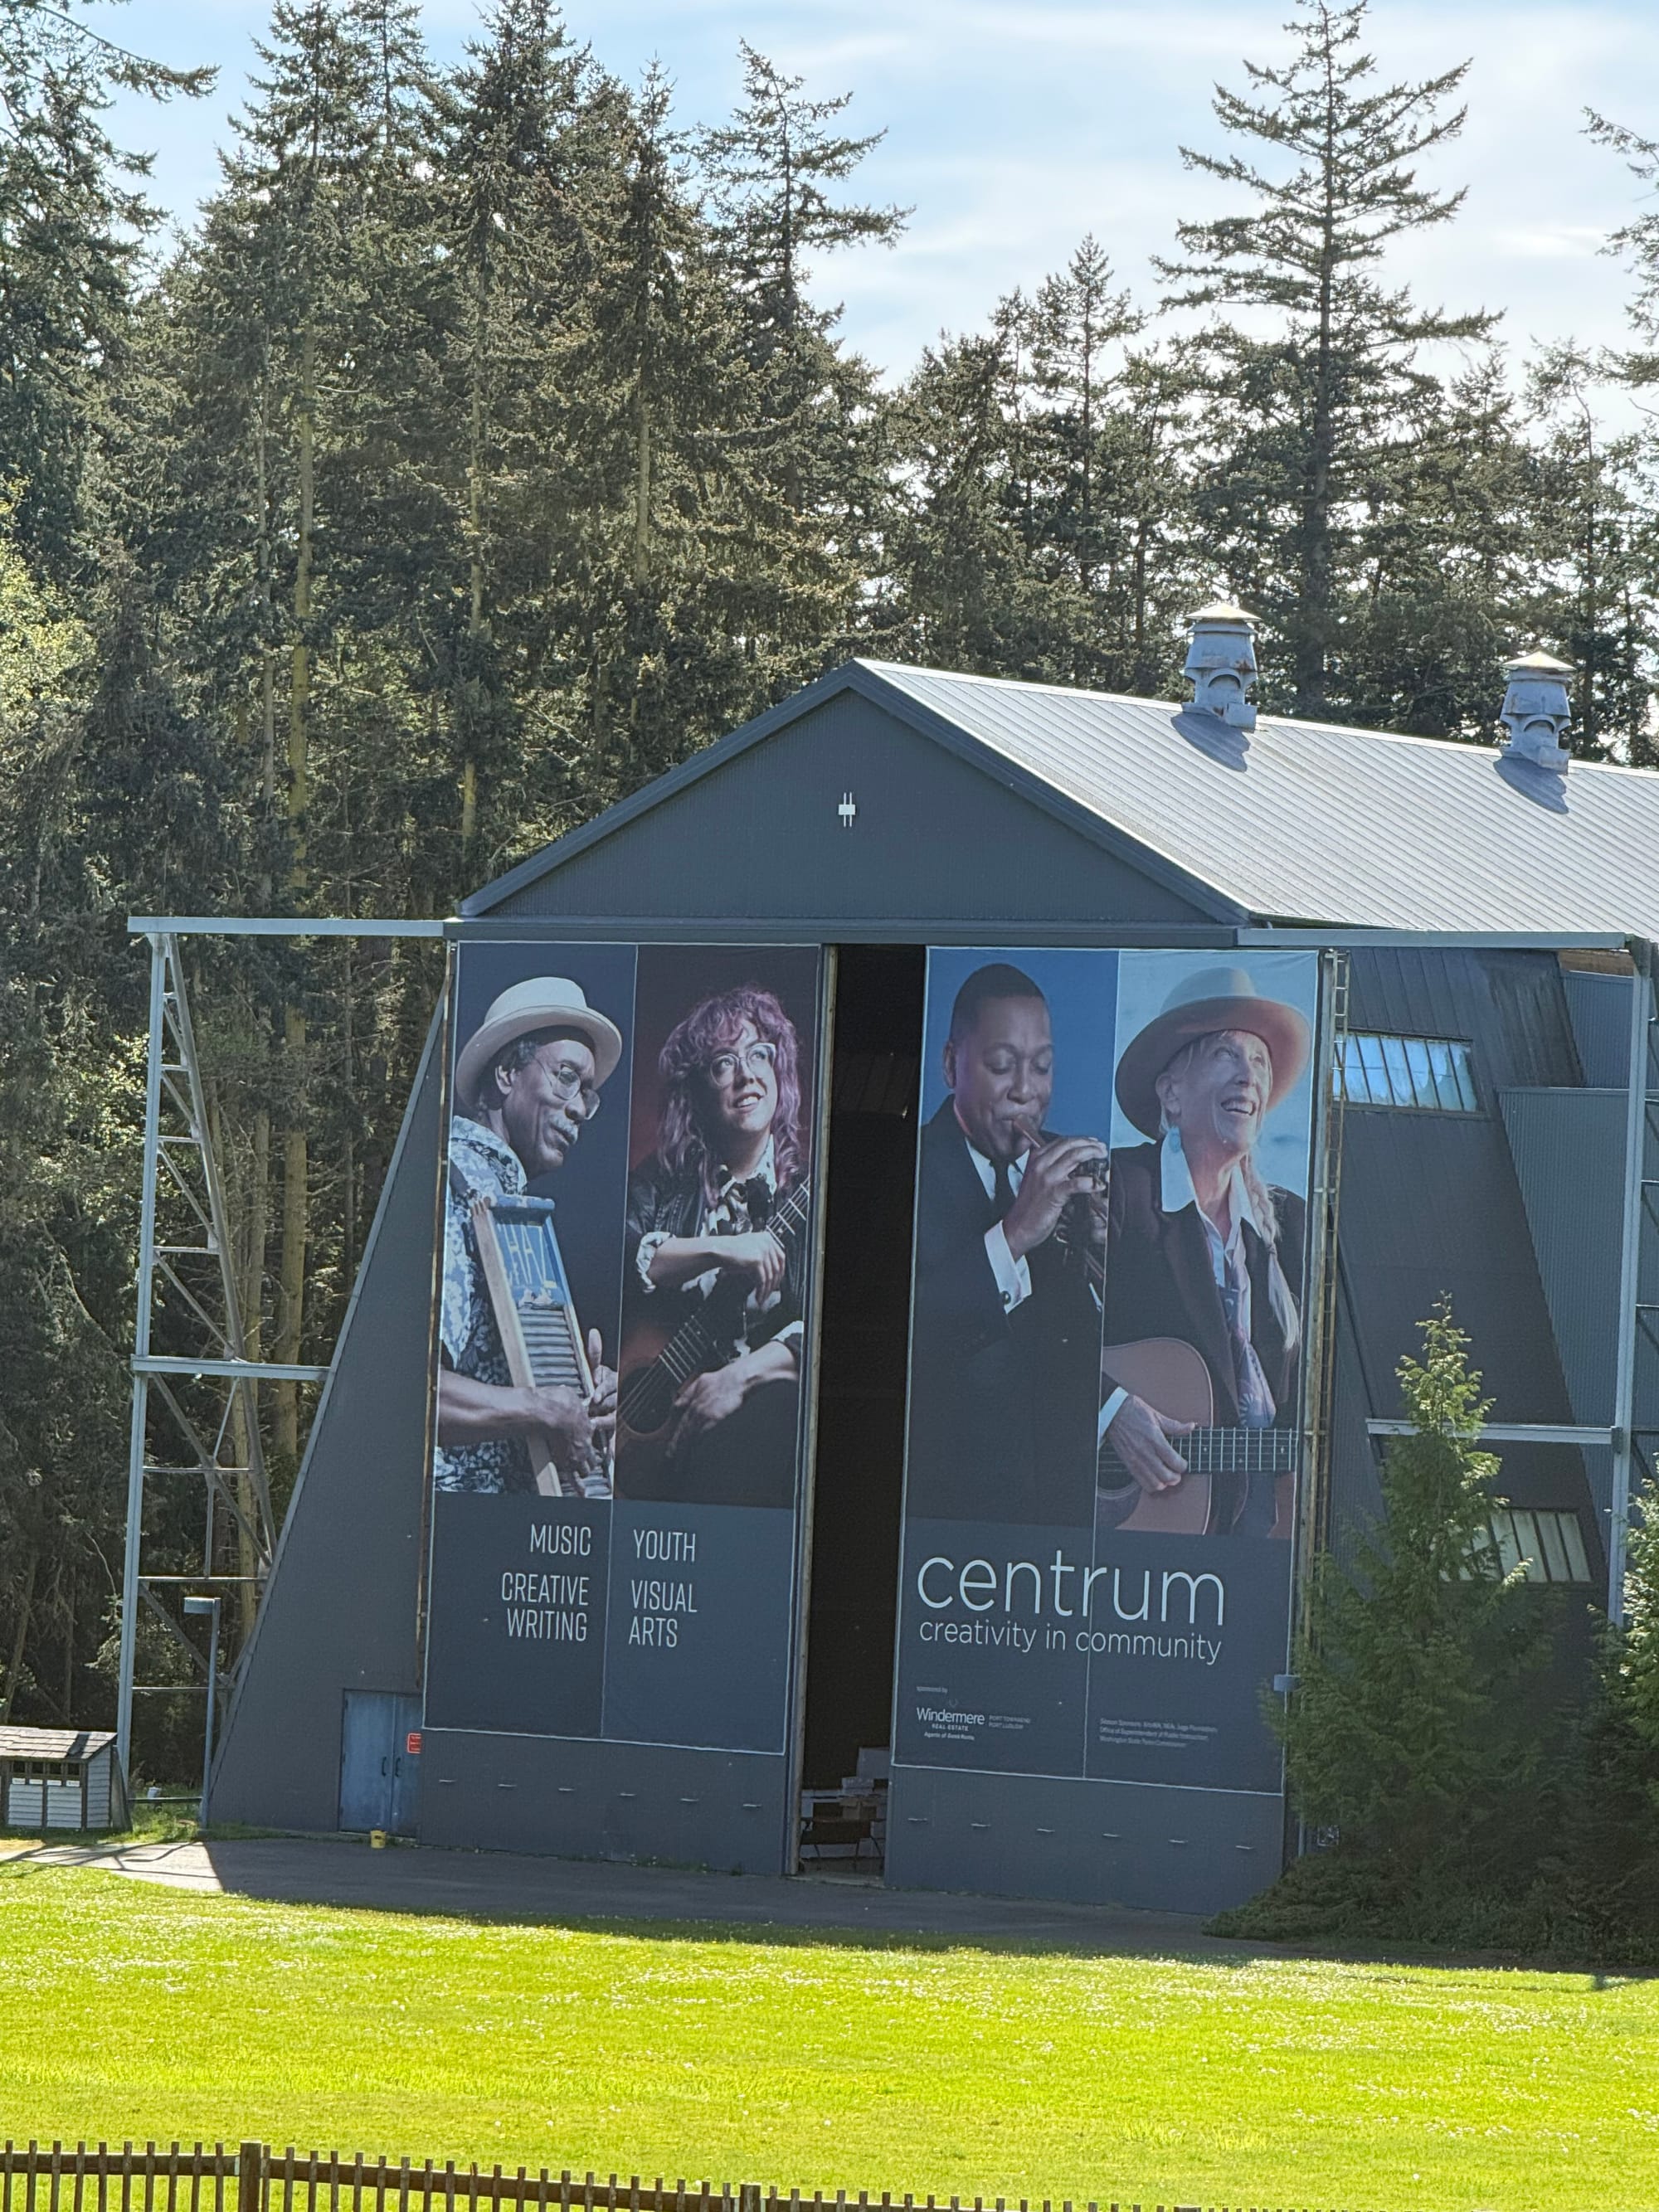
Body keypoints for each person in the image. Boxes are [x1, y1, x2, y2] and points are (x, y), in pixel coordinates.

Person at [1097, 965, 1310, 1536]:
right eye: (1224, 1054)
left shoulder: (1288, 1223)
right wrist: (1110, 1410)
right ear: (1171, 1092)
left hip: (1261, 1529)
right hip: (1151, 1540)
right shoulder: (1118, 1189)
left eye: (1260, 1061)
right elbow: (1041, 1330)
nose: (1249, 1076)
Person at [906, 963, 1107, 1525]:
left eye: (1042, 1067)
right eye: (1002, 1066)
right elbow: (906, 1334)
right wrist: (1015, 1234)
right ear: (950, 1064)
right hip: (947, 1518)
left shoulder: (1074, 1167)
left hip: (1061, 1515)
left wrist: (1103, 1259)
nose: (1027, 1091)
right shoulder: (904, 1169)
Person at [620, 984, 810, 1506]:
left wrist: (738, 1379)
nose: (747, 1075)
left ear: (779, 1071)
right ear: (698, 1090)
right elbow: (619, 1257)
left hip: (758, 1442)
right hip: (648, 1447)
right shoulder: (661, 1183)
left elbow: (831, 1329)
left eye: (759, 1054)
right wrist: (722, 1249)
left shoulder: (811, 1191)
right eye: (724, 1062)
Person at [434, 975, 624, 1496]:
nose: (581, 1107)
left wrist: (579, 1397)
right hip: (447, 1533)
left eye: (588, 1094)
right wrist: (542, 1409)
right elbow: (408, 1387)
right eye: (567, 1078)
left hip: (500, 1532)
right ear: (506, 1073)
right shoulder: (453, 1187)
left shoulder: (513, 1205)